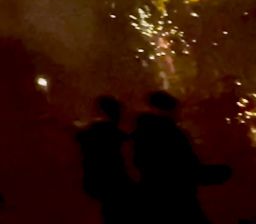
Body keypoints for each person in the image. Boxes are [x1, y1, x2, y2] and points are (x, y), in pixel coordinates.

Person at [133, 91, 225, 224]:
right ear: (168, 110)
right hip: (177, 198)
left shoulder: (140, 133)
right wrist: (218, 173)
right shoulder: (171, 135)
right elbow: (185, 168)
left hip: (153, 197)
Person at [76, 95, 135, 224]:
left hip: (94, 189)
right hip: (120, 189)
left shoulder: (85, 134)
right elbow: (129, 164)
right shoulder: (122, 137)